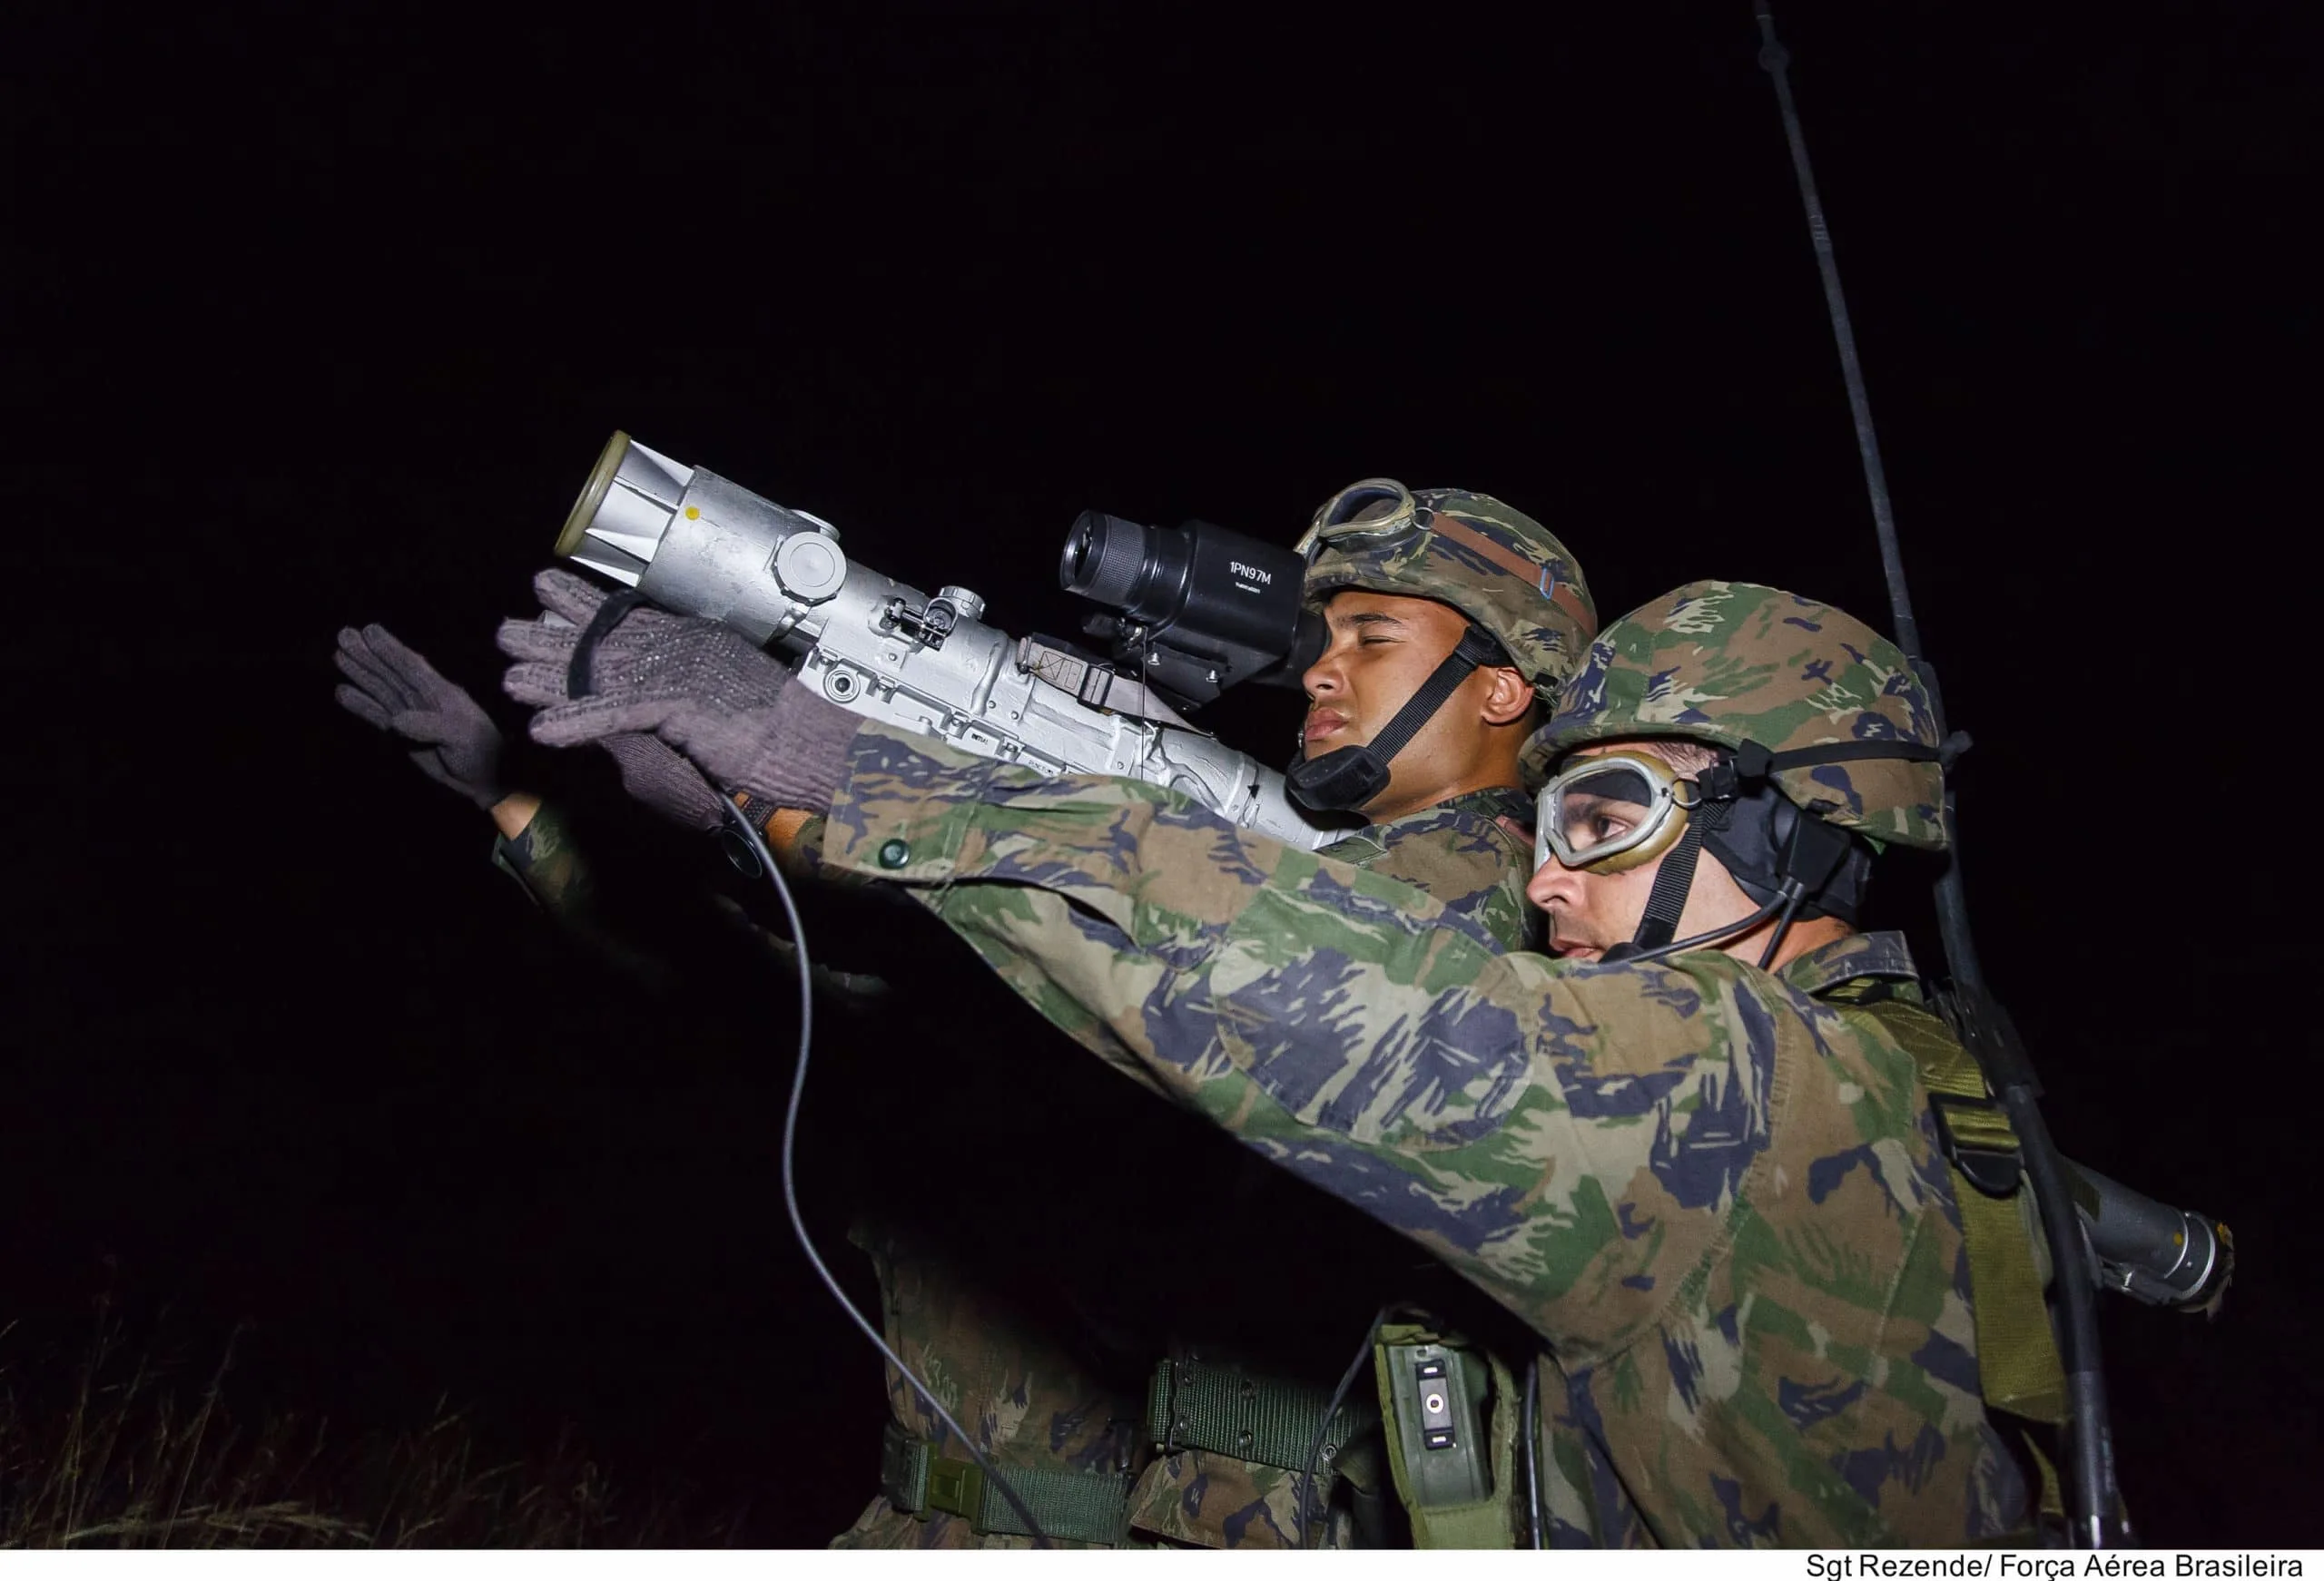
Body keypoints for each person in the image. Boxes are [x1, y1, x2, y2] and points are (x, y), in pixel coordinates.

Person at [497, 574, 2053, 1547]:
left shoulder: (1777, 1083)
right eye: (1548, 822)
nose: (1547, 877)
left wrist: (841, 766)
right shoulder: (1835, 1079)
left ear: (1788, 838)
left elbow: (1347, 1012)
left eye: (1604, 819)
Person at [350, 477, 1600, 1547]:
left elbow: (1285, 971)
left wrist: (827, 770)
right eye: (1321, 634)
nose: (1319, 666)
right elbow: (888, 1009)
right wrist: (665, 819)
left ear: (1499, 691)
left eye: (1372, 635)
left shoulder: (1518, 922)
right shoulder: (1278, 872)